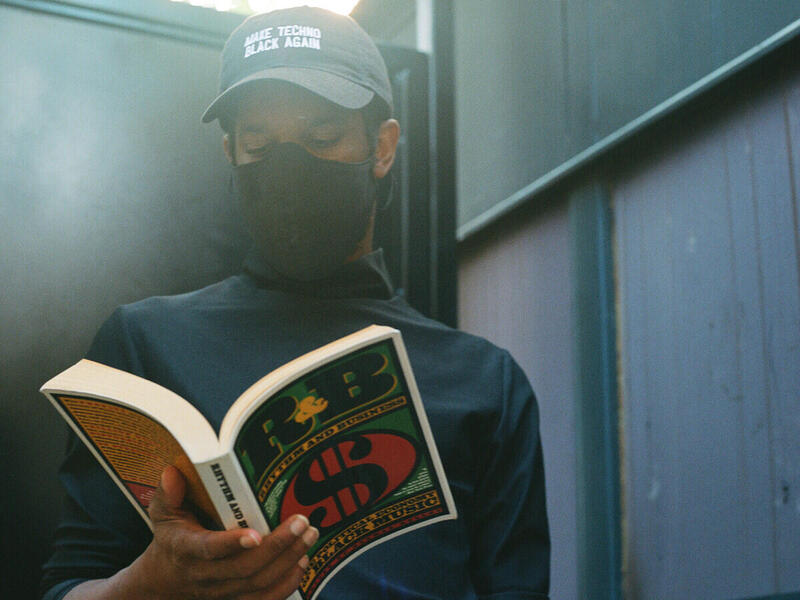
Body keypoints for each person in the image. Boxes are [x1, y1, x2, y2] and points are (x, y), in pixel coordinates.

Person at [40, 6, 550, 600]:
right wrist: (153, 582)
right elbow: (66, 586)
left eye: (321, 137)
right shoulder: (143, 344)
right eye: (258, 142)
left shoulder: (486, 383)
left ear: (382, 149)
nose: (288, 167)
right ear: (230, 151)